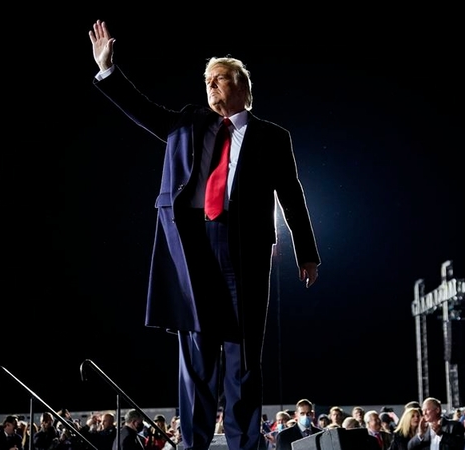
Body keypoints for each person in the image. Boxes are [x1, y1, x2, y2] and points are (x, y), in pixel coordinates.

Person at [88, 20, 321, 450]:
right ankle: (193, 445)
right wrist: (108, 71)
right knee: (196, 356)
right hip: (195, 245)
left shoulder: (272, 137)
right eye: (207, 80)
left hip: (246, 249)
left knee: (244, 357)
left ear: (243, 87)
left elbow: (291, 195)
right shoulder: (188, 122)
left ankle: (244, 444)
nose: (211, 85)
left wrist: (307, 253)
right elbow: (143, 111)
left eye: (220, 78)